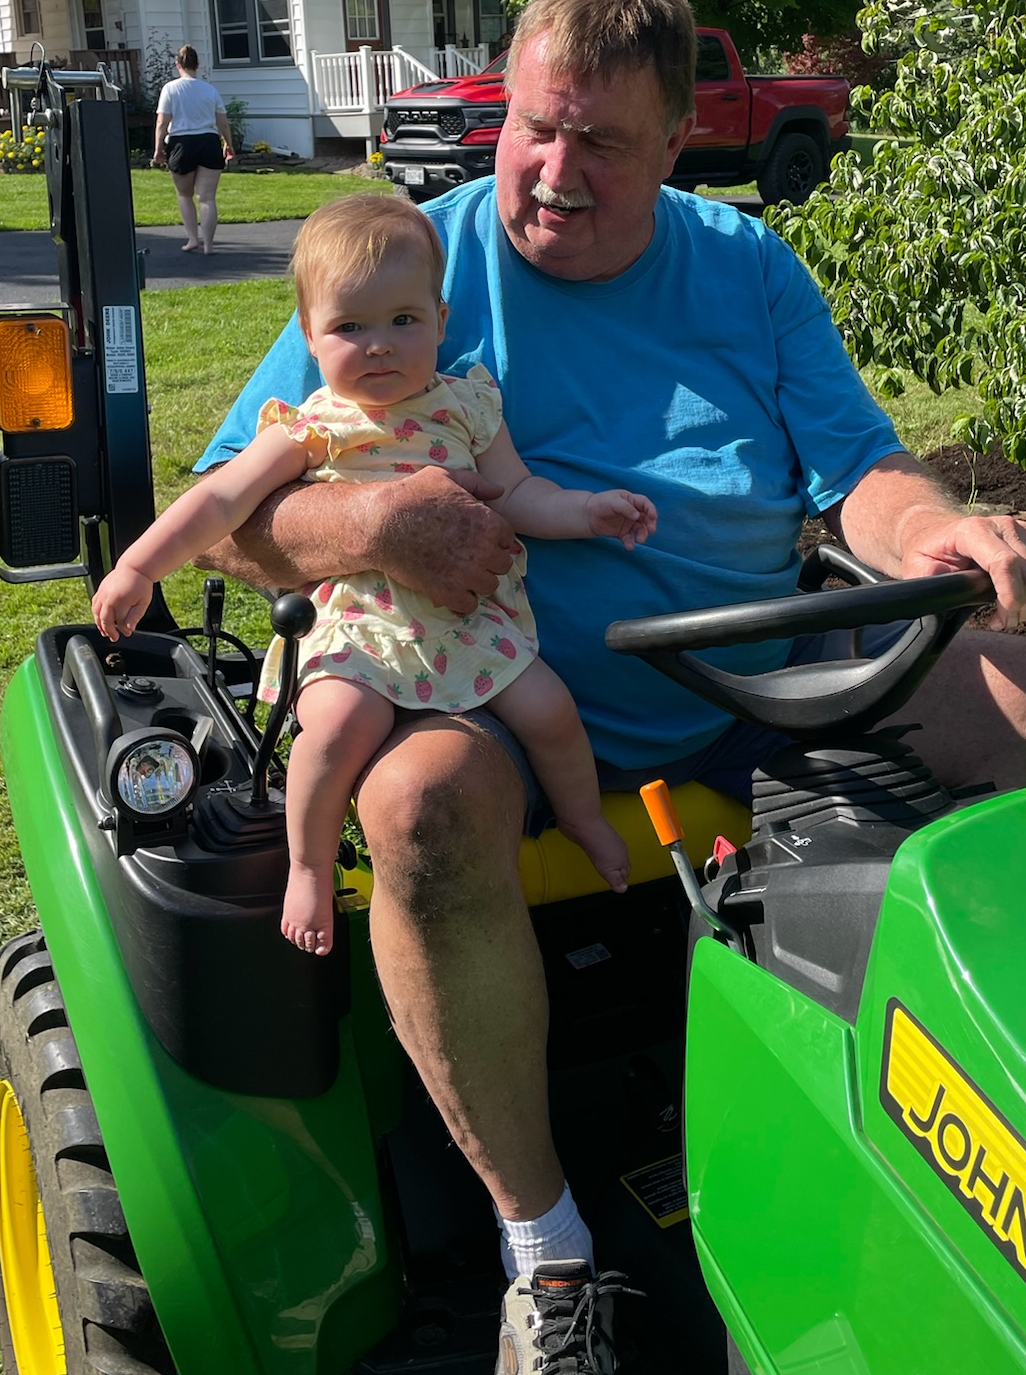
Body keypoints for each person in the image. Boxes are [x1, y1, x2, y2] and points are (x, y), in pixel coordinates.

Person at [193, 0, 1026, 1375]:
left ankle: (971, 1154)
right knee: (414, 810)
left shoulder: (743, 267)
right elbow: (241, 518)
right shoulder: (425, 260)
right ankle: (544, 1263)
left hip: (745, 691)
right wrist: (383, 520)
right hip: (483, 685)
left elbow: (859, 472)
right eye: (536, 129)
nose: (554, 172)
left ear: (685, 140)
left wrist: (937, 528)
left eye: (604, 144)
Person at [91, 194, 654, 957]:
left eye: (403, 321)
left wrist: (588, 512)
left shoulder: (467, 406)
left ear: (442, 320)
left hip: (465, 620)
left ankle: (583, 819)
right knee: (335, 730)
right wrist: (138, 566)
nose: (380, 346)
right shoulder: (313, 426)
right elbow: (221, 499)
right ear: (309, 337)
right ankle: (309, 867)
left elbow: (520, 494)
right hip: (356, 622)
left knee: (550, 709)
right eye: (350, 327)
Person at [153, 44, 234, 253]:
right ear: (197, 65)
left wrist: (158, 149)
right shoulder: (210, 90)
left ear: (177, 64)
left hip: (181, 143)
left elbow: (162, 122)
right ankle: (208, 245)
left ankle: (192, 239)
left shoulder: (170, 89)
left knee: (185, 195)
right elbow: (223, 123)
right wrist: (228, 144)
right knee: (207, 198)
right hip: (208, 141)